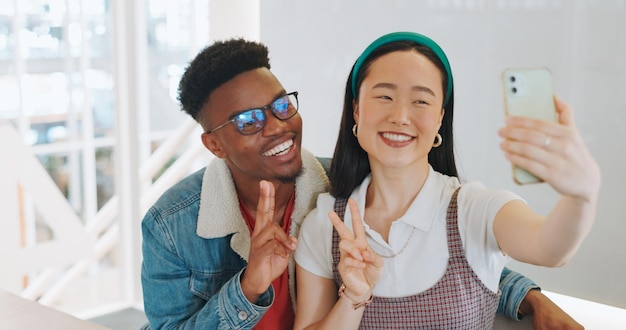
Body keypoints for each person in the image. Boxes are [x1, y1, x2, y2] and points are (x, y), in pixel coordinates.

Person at [140, 37, 586, 329]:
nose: (277, 127)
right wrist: (250, 286)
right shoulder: (170, 226)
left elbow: (442, 240)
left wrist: (528, 297)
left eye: (281, 106)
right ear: (214, 145)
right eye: (249, 120)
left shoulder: (344, 181)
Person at [294, 32, 600, 329]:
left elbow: (550, 249)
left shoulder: (473, 208)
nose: (400, 115)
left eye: (421, 101)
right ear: (356, 110)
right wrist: (353, 298)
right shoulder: (326, 222)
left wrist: (581, 195)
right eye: (384, 96)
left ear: (440, 117)